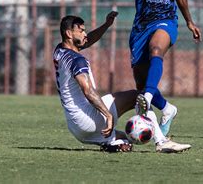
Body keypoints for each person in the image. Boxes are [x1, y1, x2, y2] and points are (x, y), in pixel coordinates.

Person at [109, 0, 201, 136]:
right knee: (142, 83)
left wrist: (189, 21)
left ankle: (148, 99)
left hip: (166, 21)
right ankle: (167, 109)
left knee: (156, 49)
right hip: (141, 26)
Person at [53, 12, 191, 153]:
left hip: (76, 128)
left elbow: (87, 41)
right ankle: (161, 141)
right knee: (139, 96)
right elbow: (87, 90)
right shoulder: (77, 60)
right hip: (89, 118)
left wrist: (106, 24)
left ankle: (114, 142)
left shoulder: (59, 51)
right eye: (81, 31)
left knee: (125, 138)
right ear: (69, 34)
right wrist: (108, 115)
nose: (85, 34)